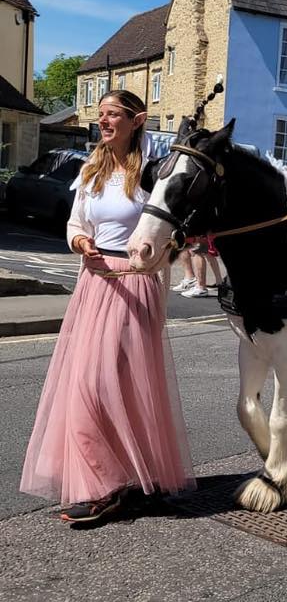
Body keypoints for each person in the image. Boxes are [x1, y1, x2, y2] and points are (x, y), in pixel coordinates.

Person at [19, 90, 195, 523]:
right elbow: (76, 221)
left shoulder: (153, 173)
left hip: (133, 284)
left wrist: (160, 255)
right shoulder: (91, 169)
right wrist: (80, 241)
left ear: (137, 120)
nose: (104, 121)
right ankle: (113, 480)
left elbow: (174, 228)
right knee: (87, 383)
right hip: (94, 284)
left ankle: (116, 484)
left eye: (113, 114)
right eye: (101, 114)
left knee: (112, 386)